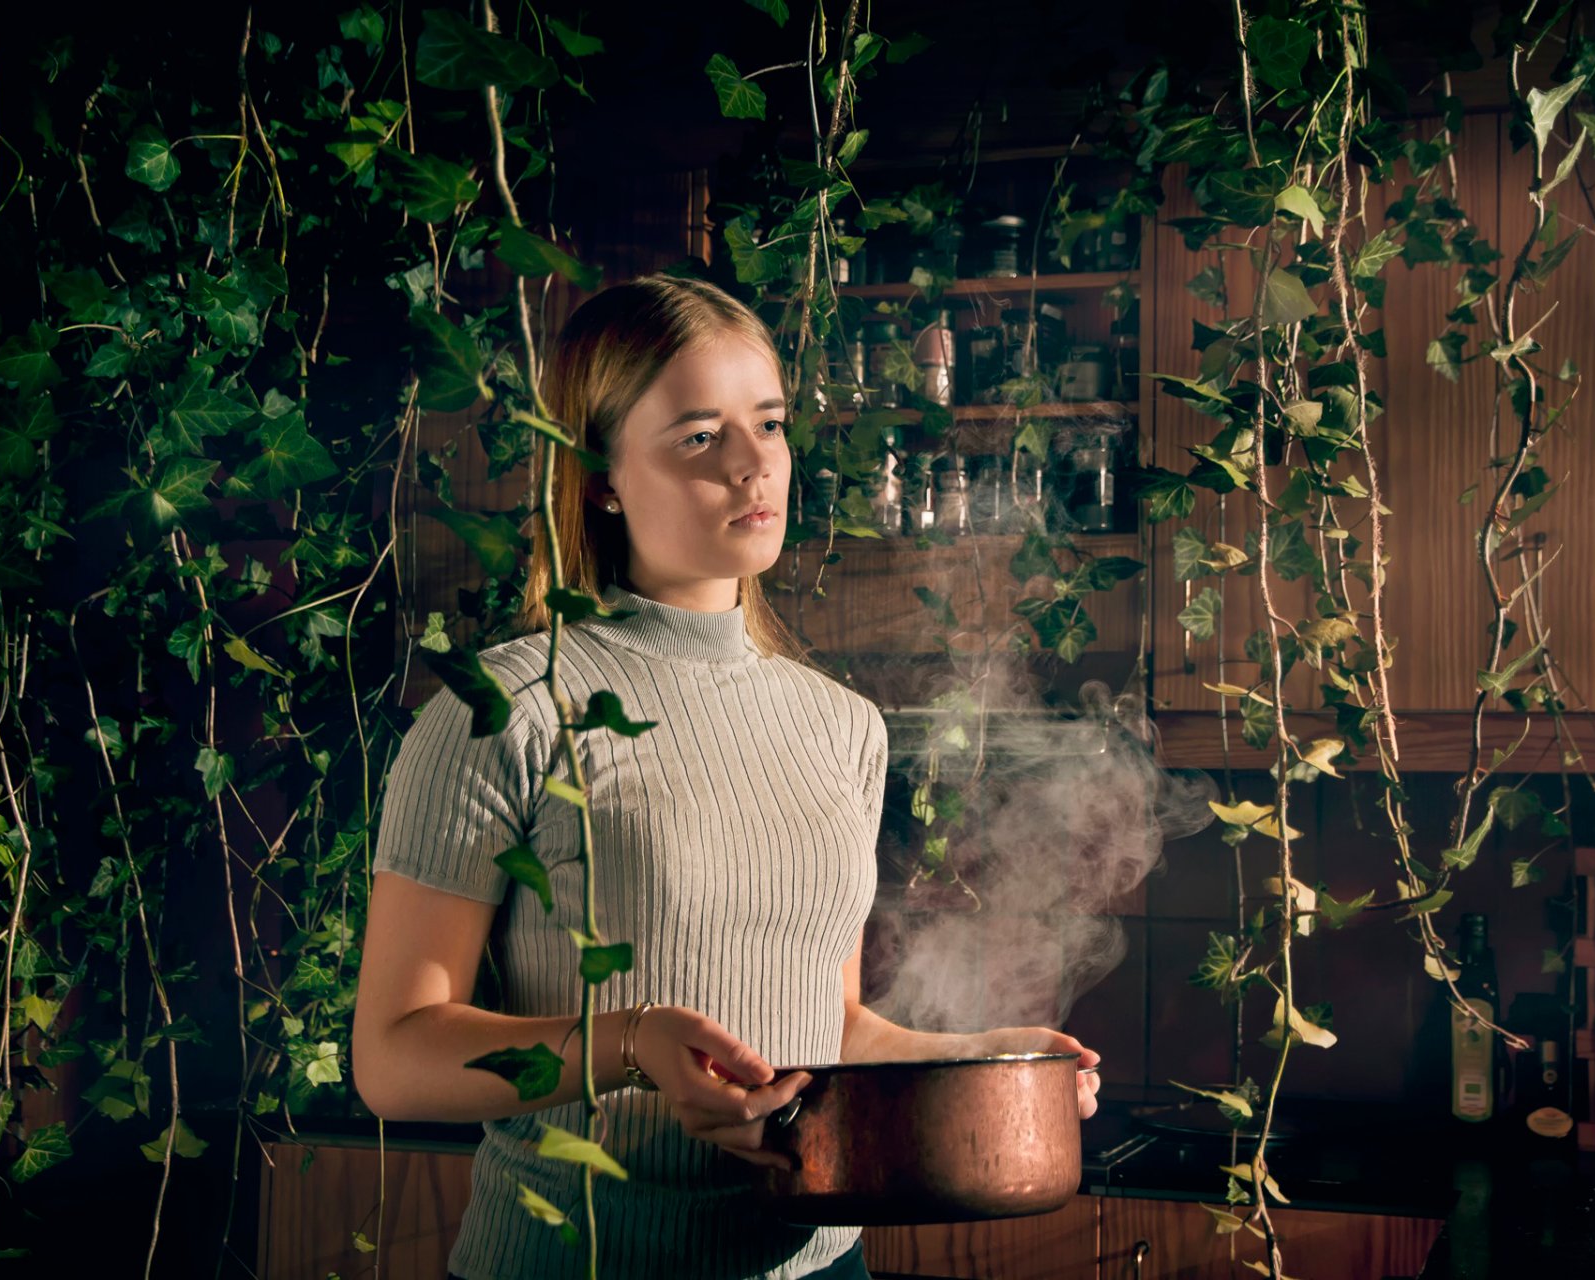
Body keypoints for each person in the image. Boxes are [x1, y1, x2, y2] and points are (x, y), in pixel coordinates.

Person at [352, 274, 1100, 1280]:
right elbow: (394, 1057)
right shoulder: (503, 714)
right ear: (602, 475)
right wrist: (632, 1040)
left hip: (821, 1268)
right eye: (701, 436)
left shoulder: (841, 726)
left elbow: (822, 1026)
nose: (755, 466)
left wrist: (975, 1064)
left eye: (771, 424)